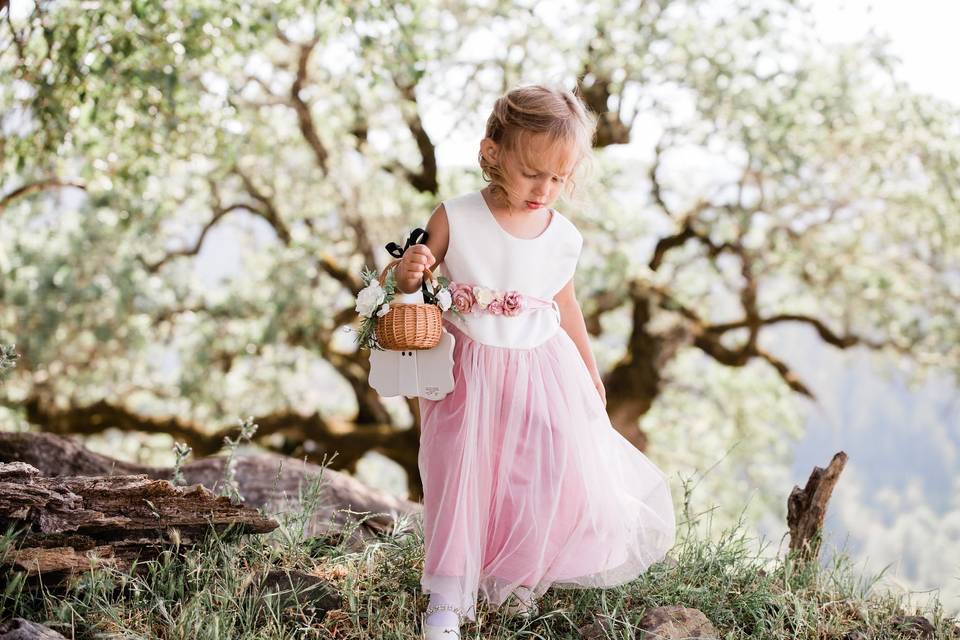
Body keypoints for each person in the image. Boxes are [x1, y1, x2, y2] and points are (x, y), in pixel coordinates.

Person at [394, 83, 677, 639]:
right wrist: (408, 272)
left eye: (558, 178)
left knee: (533, 476)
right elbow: (408, 279)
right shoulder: (457, 216)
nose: (544, 189)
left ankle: (517, 580)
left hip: (541, 371)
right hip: (468, 372)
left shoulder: (562, 237)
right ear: (493, 152)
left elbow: (565, 305)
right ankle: (448, 598)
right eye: (532, 173)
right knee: (459, 474)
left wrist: (591, 374)